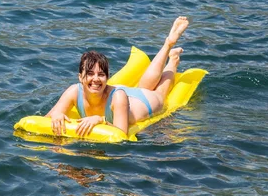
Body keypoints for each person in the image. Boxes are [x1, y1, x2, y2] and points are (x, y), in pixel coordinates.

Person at [46, 16, 189, 136]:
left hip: (143, 102)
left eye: (101, 75)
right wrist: (56, 115)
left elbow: (121, 134)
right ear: (80, 77)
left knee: (158, 93)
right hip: (122, 98)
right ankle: (169, 48)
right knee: (144, 85)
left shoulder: (118, 96)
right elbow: (46, 118)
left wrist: (100, 120)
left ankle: (172, 57)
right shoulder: (74, 91)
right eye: (90, 74)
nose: (95, 79)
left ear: (107, 78)